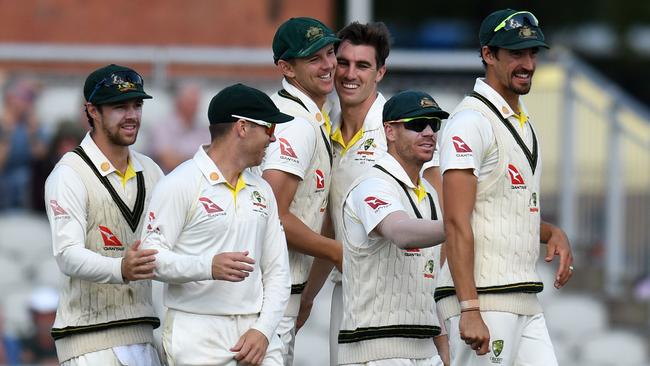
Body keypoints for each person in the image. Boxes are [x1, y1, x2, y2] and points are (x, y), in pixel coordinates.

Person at [434, 9, 574, 365]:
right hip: (484, 301)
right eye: (515, 53)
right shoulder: (469, 122)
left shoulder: (523, 121)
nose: (527, 63)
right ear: (488, 55)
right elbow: (455, 221)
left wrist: (550, 231)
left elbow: (498, 206)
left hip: (525, 300)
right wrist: (468, 307)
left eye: (532, 53)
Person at [140, 83, 292, 366]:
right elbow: (150, 260)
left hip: (256, 335)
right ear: (242, 127)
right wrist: (207, 266)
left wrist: (263, 330)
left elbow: (278, 273)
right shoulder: (180, 183)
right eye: (269, 128)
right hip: (196, 332)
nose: (273, 139)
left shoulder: (262, 189)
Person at [44, 64, 163, 365]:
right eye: (119, 106)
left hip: (143, 332)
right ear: (92, 111)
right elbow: (67, 255)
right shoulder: (69, 173)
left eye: (137, 105)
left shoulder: (151, 171)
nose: (132, 115)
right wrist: (120, 268)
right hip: (88, 339)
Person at [296, 21, 391, 365]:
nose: (350, 74)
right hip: (347, 291)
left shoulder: (401, 125)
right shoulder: (326, 128)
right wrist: (307, 297)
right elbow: (332, 228)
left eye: (363, 65)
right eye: (344, 62)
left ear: (380, 72)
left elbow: (437, 212)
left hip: (396, 294)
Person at [338, 90, 449, 365]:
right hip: (374, 350)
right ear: (390, 131)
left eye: (434, 124)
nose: (428, 132)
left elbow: (426, 281)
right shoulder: (371, 185)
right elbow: (400, 233)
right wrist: (459, 225)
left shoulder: (430, 194)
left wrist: (443, 346)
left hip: (425, 349)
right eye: (416, 124)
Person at [261, 17, 340, 365]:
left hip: (282, 296)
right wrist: (340, 253)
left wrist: (307, 296)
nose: (328, 66)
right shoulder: (294, 124)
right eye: (314, 58)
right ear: (286, 67)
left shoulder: (310, 117)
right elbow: (274, 215)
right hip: (269, 299)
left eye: (330, 52)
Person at [0, 78, 48, 210]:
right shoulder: (4, 125)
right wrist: (7, 131)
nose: (27, 103)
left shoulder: (36, 127)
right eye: (23, 98)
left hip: (29, 191)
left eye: (30, 99)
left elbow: (41, 160)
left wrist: (33, 133)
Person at [149, 82, 209, 173]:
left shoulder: (203, 129)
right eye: (190, 103)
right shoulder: (163, 127)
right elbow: (168, 161)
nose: (195, 107)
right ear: (178, 103)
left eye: (196, 103)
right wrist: (200, 160)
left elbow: (213, 158)